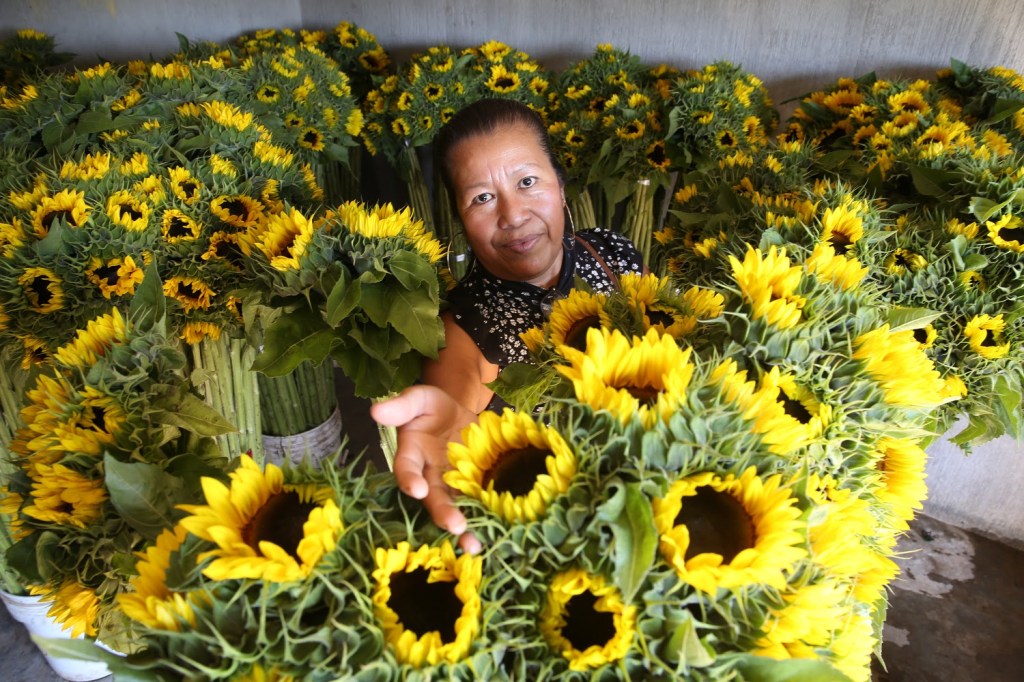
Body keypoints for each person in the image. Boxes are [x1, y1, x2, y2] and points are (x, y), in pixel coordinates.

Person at [370, 98, 645, 553]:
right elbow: (454, 387)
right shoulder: (465, 324)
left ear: (559, 184)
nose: (512, 215)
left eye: (528, 181)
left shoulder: (611, 252)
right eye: (482, 197)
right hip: (557, 538)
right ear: (461, 217)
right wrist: (448, 430)